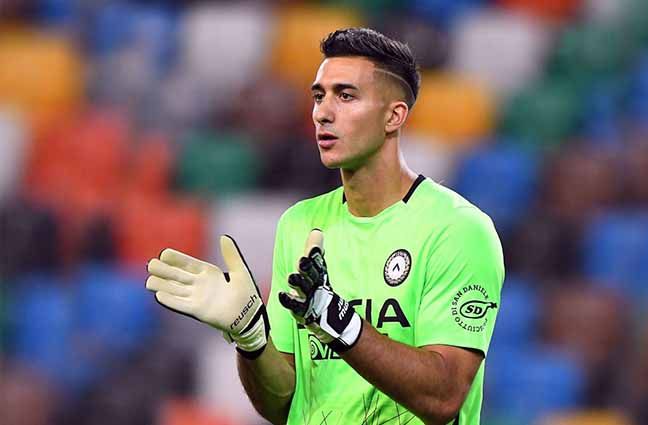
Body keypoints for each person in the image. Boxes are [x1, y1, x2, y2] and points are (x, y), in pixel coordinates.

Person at [145, 27, 505, 425]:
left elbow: (443, 397)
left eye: (346, 96)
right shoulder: (300, 224)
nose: (322, 112)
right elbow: (282, 405)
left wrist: (337, 320)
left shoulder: (458, 229)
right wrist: (251, 339)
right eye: (319, 96)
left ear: (394, 115)